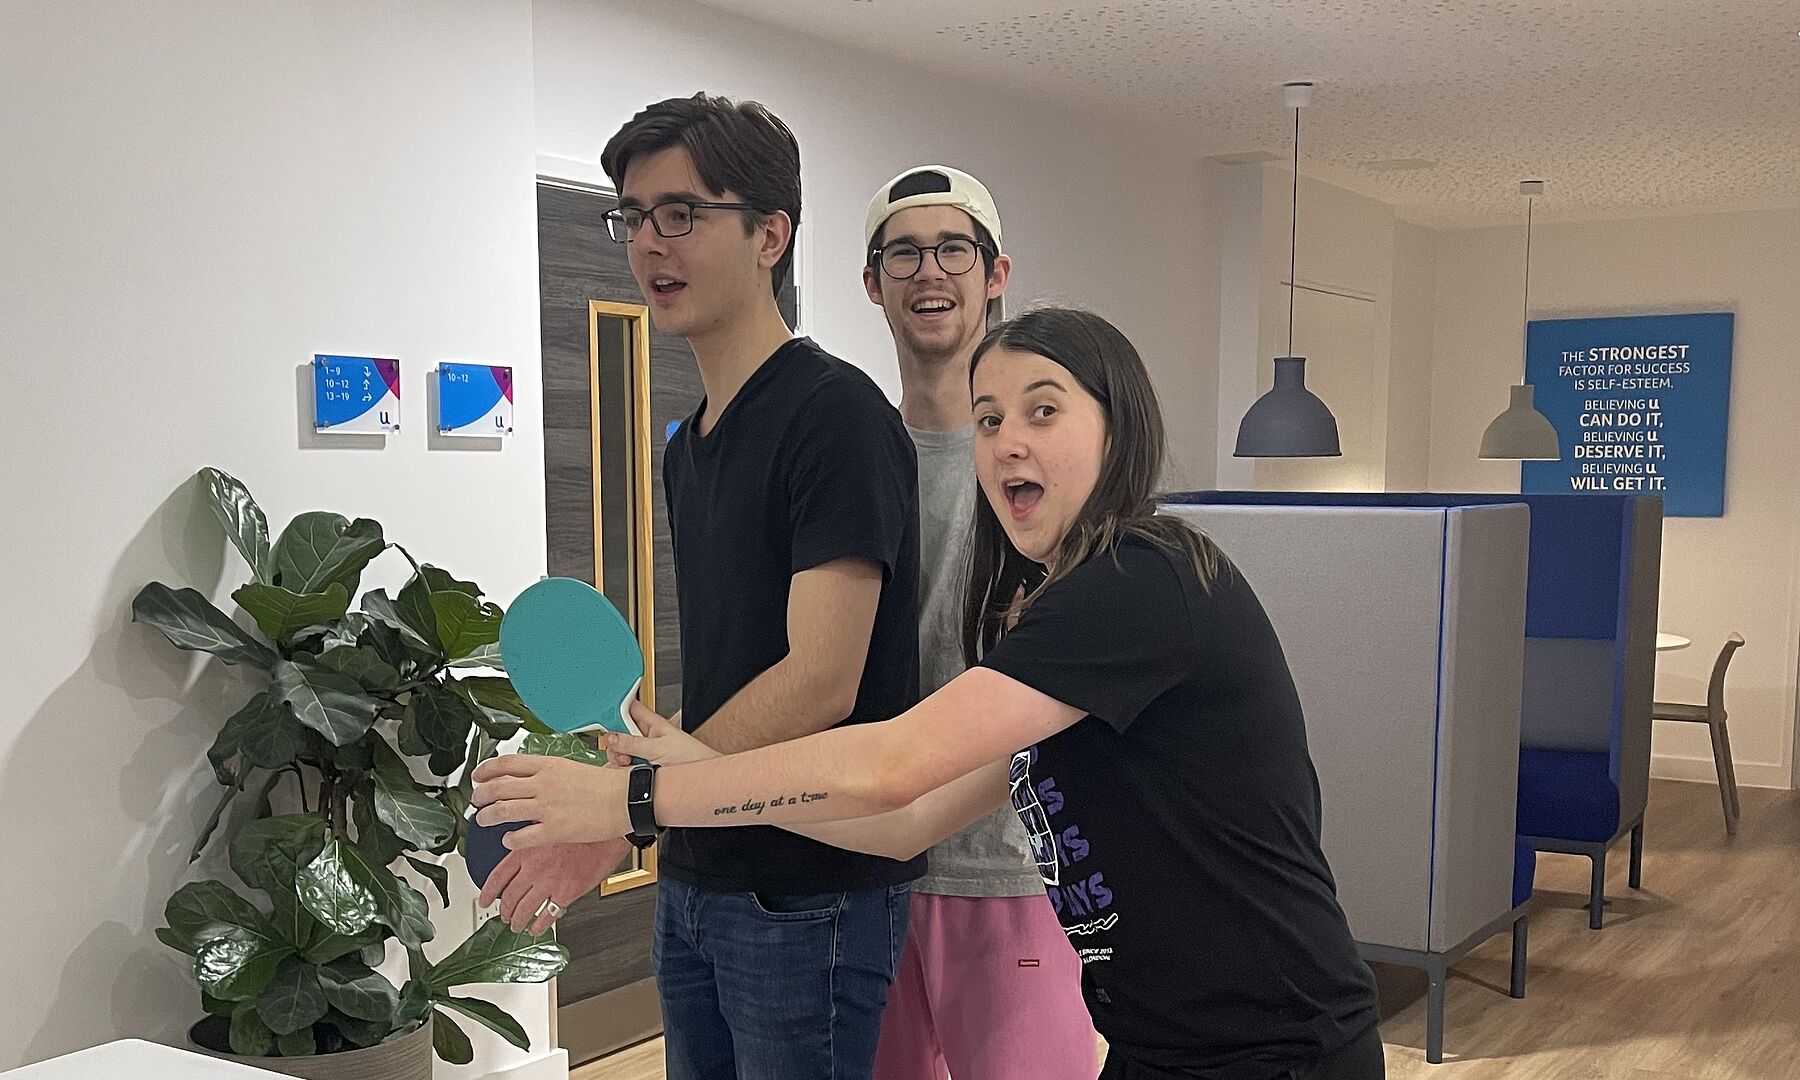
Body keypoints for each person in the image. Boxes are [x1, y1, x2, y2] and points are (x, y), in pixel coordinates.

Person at [474, 307, 1387, 1080]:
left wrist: (633, 802)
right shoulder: (1064, 617)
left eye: (1043, 410)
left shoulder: (1141, 582)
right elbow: (904, 821)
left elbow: (890, 763)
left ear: (1119, 427)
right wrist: (694, 764)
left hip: (1280, 1049)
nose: (1006, 441)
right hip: (1162, 1044)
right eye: (988, 419)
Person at [481, 93, 925, 1080]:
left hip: (808, 887)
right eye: (633, 217)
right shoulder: (693, 446)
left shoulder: (836, 417)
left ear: (771, 235)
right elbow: (737, 675)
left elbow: (820, 679)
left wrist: (632, 801)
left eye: (682, 213)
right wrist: (637, 815)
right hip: (696, 873)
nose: (649, 243)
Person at [860, 166, 1095, 1080]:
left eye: (953, 249)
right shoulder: (851, 458)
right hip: (869, 870)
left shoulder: (1040, 467)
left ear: (996, 273)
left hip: (1013, 871)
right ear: (872, 282)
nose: (930, 272)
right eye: (905, 253)